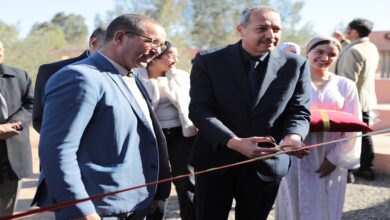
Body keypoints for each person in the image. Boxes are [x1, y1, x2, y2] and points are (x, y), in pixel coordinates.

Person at [32, 14, 171, 220]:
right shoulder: (79, 77)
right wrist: (81, 210)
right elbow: (57, 150)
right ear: (120, 37)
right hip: (98, 209)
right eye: (152, 42)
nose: (158, 51)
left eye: (162, 44)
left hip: (133, 205)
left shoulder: (129, 76)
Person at [189, 5, 311, 220]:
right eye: (262, 28)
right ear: (241, 29)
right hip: (215, 160)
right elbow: (199, 110)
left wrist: (294, 135)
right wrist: (234, 142)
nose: (271, 35)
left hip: (266, 164)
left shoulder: (296, 65)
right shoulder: (209, 61)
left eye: (276, 28)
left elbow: (299, 110)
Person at [276, 36, 362, 220]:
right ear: (308, 51)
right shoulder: (290, 81)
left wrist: (335, 158)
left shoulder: (345, 85)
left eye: (332, 54)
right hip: (295, 151)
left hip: (331, 151)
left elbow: (353, 125)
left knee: (327, 202)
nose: (325, 57)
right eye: (320, 52)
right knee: (292, 200)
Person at [134, 42, 197, 220]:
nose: (176, 60)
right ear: (155, 58)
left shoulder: (181, 77)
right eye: (171, 56)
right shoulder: (136, 77)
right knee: (157, 183)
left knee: (186, 182)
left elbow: (192, 103)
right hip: (151, 137)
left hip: (181, 135)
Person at [33, 26, 107, 132]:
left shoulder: (125, 74)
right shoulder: (52, 71)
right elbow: (41, 121)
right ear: (93, 43)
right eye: (110, 47)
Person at [335, 18, 379, 181]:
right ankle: (366, 168)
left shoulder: (353, 51)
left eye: (347, 30)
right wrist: (344, 41)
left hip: (353, 101)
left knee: (349, 136)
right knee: (364, 134)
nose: (346, 32)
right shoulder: (371, 47)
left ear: (353, 31)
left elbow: (347, 81)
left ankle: (347, 172)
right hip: (366, 98)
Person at [0, 39, 34, 216]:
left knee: (6, 211)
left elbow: (32, 104)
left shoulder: (20, 76)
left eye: (0, 48)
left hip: (11, 158)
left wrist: (13, 124)